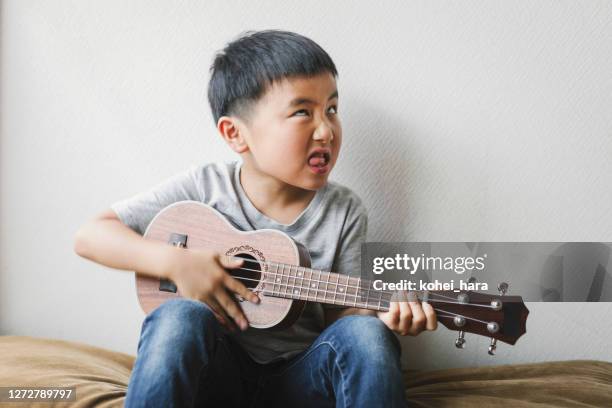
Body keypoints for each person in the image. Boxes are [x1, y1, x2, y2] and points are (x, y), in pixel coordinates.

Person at [74, 29, 437, 408]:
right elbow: (91, 235)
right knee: (178, 316)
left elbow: (340, 321)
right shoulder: (204, 187)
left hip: (301, 382)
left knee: (365, 333)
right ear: (236, 134)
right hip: (215, 376)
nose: (326, 130)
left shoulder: (344, 211)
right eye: (302, 112)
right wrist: (176, 262)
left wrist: (382, 313)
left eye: (332, 109)